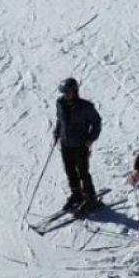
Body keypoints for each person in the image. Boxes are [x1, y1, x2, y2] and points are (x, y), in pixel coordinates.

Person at [53, 78, 102, 211]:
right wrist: (57, 133)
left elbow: (97, 122)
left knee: (83, 173)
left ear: (75, 91)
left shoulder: (85, 106)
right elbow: (60, 120)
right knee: (69, 171)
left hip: (80, 145)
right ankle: (77, 194)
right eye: (64, 93)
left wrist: (91, 139)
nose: (65, 95)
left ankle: (91, 197)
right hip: (65, 144)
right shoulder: (60, 103)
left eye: (68, 92)